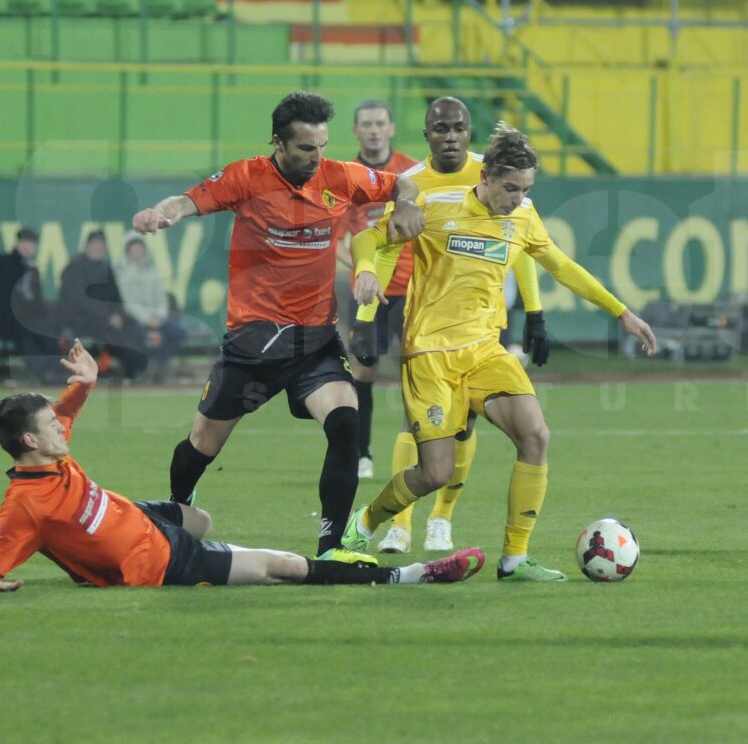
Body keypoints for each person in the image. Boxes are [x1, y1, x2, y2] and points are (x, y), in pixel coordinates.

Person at [342, 122, 658, 582]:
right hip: (430, 355)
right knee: (434, 473)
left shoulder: (524, 216)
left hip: (486, 352)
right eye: (510, 187)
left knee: (536, 436)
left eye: (526, 189)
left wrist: (621, 312)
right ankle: (365, 522)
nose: (517, 198)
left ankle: (514, 558)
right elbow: (368, 238)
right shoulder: (433, 205)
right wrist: (366, 272)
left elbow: (562, 266)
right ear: (485, 176)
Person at [130, 91, 424, 563]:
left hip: (315, 344)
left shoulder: (340, 176)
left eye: (323, 146)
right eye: (307, 148)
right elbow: (189, 200)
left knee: (346, 421)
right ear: (278, 143)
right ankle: (177, 512)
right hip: (252, 345)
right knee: (203, 445)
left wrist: (407, 205)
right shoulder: (246, 177)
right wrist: (163, 213)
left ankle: (329, 550)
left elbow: (402, 185)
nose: (318, 157)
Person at [0, 340, 484, 593]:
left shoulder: (48, 458)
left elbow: (69, 409)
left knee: (201, 518)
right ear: (31, 440)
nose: (62, 427)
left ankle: (91, 568)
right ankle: (410, 577)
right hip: (163, 562)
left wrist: (85, 380)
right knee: (279, 565)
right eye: (50, 425)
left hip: (142, 521)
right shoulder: (23, 506)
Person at [348, 97, 550, 556]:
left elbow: (523, 241)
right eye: (442, 128)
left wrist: (534, 312)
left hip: (478, 323)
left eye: (459, 127)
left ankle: (442, 519)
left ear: (469, 130)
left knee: (467, 425)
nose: (451, 136)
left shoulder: (497, 172)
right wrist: (364, 317)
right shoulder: (410, 183)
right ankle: (399, 524)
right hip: (409, 304)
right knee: (418, 422)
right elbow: (376, 243)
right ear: (427, 133)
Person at [334, 100, 418, 480]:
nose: (372, 129)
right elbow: (335, 240)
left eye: (378, 123)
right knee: (363, 372)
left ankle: (419, 452)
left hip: (411, 290)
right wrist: (365, 269)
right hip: (367, 295)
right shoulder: (341, 178)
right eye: (365, 123)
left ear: (391, 128)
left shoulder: (411, 172)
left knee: (417, 372)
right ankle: (361, 453)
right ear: (355, 131)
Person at [0, 227, 61, 381]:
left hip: (22, 319)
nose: (28, 246)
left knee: (45, 330)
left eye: (31, 243)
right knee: (25, 331)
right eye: (24, 242)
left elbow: (36, 302)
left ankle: (57, 372)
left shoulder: (32, 269)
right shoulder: (1, 263)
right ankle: (40, 373)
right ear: (17, 243)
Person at [57, 229, 146, 379]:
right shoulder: (74, 267)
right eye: (95, 244)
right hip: (80, 320)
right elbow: (79, 300)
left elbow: (116, 297)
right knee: (112, 332)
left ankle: (135, 370)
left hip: (107, 318)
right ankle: (109, 371)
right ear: (87, 246)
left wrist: (118, 314)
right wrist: (108, 316)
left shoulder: (106, 268)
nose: (98, 248)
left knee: (134, 326)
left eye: (101, 245)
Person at [115, 231, 186, 383]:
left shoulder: (152, 271)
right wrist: (147, 319)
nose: (138, 251)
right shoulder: (122, 273)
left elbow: (162, 298)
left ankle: (160, 364)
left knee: (177, 333)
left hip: (157, 318)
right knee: (139, 336)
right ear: (128, 250)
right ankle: (141, 371)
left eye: (140, 247)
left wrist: (159, 316)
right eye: (134, 248)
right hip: (136, 319)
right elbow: (128, 303)